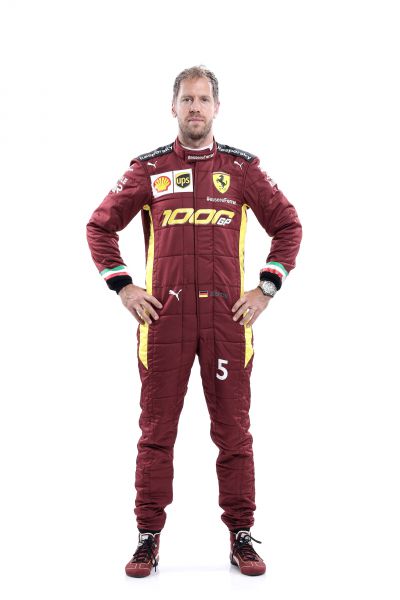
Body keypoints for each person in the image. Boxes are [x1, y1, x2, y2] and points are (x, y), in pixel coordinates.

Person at [86, 65, 302, 578]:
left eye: (204, 99)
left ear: (217, 108)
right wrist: (124, 287)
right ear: (173, 107)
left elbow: (288, 225)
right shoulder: (149, 169)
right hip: (164, 322)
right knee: (156, 433)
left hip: (228, 322)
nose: (196, 107)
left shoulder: (242, 169)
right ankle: (147, 537)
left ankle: (241, 534)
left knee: (234, 434)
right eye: (187, 99)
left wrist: (266, 289)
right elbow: (99, 227)